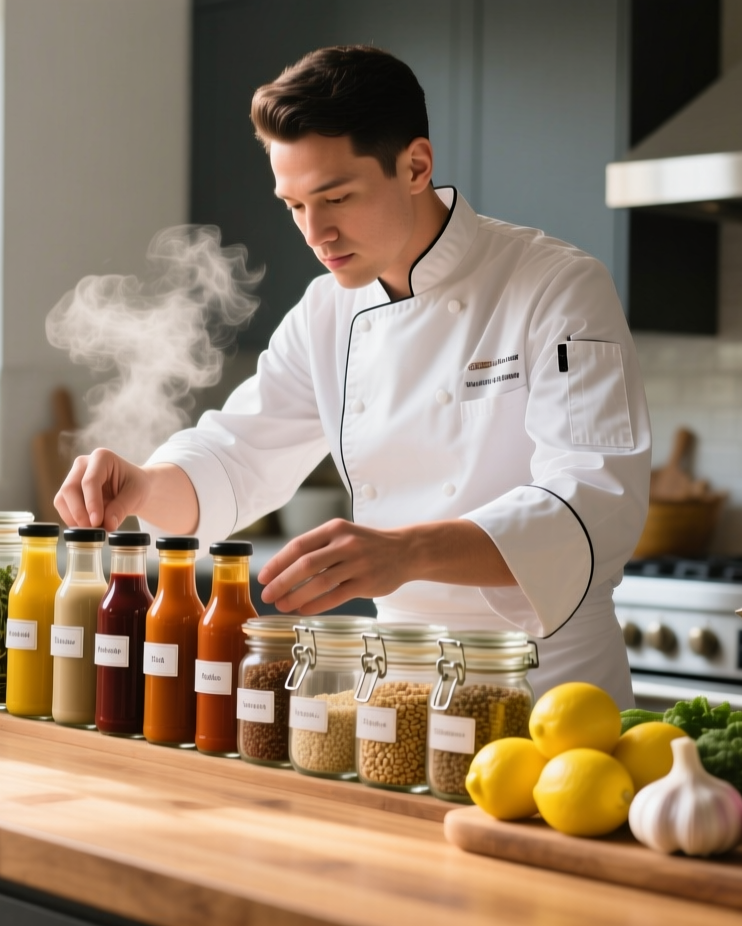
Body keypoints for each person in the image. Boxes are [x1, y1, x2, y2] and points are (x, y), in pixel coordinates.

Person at [54, 45, 650, 702]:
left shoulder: (558, 287)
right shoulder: (327, 312)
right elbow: (236, 459)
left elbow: (595, 501)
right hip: (398, 691)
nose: (317, 233)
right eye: (294, 205)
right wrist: (143, 486)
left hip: (547, 691)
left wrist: (406, 552)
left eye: (336, 197)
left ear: (415, 166)